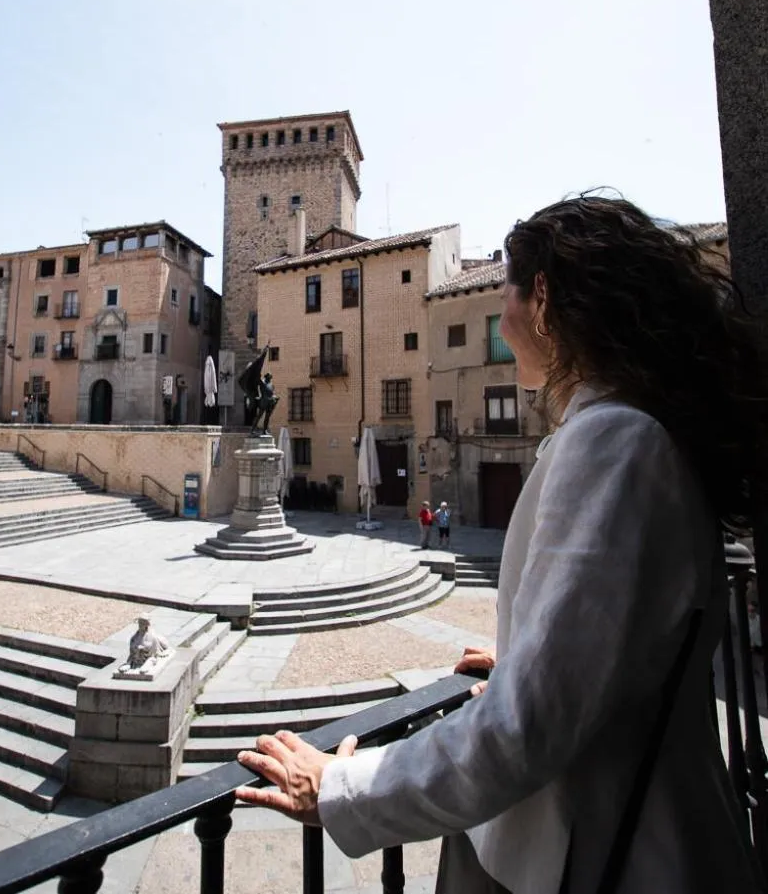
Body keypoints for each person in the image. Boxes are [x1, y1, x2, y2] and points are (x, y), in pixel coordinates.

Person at [234, 196, 766, 893]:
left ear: (541, 296)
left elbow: (527, 725)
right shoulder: (641, 429)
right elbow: (611, 644)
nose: (505, 308)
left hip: (615, 859)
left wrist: (340, 786)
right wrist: (529, 652)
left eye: (508, 285)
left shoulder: (613, 441)